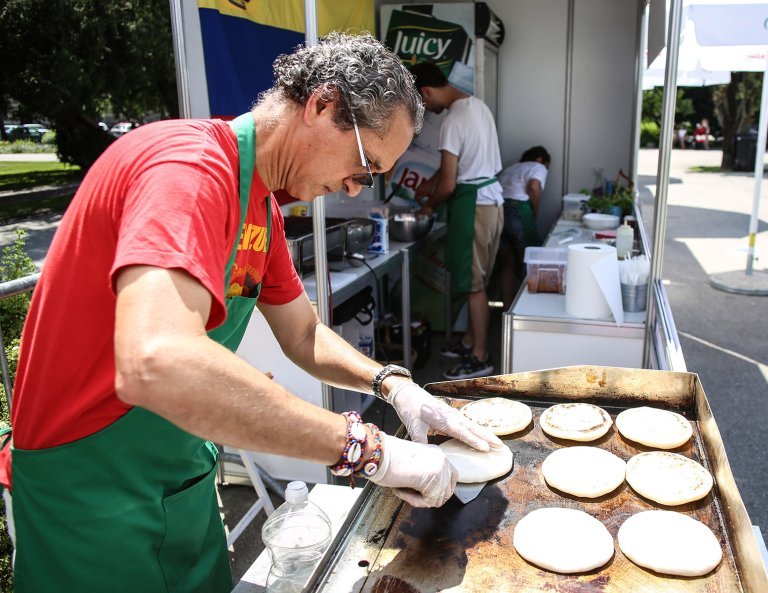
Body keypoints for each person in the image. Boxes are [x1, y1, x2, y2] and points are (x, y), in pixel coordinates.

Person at [0, 33, 502, 592]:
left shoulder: (258, 203)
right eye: (365, 166)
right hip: (89, 490)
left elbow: (304, 332)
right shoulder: (188, 168)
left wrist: (395, 386)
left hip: (179, 472)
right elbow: (157, 360)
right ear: (322, 103)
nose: (358, 189)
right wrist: (367, 449)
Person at [409, 61, 504, 381]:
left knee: (473, 285)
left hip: (473, 204)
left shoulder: (451, 121)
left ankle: (480, 357)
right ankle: (468, 341)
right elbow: (458, 164)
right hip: (492, 201)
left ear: (427, 91)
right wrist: (430, 181)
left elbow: (450, 185)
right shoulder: (477, 106)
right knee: (477, 278)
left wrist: (427, 206)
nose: (428, 108)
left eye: (424, 103)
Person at [496, 146, 551, 306]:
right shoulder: (539, 167)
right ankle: (528, 309)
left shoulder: (510, 168)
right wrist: (535, 211)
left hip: (498, 212)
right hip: (518, 211)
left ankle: (507, 309)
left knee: (507, 264)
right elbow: (533, 187)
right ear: (544, 161)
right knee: (528, 262)